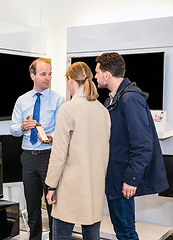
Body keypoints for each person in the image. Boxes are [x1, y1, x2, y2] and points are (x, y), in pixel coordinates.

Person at [95, 52, 169, 240]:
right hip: (115, 177)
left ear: (106, 75)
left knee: (126, 233)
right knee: (122, 230)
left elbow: (143, 145)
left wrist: (131, 179)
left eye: (97, 72)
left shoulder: (130, 99)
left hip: (122, 178)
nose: (95, 76)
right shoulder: (114, 99)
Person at [45, 61, 111, 240]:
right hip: (94, 187)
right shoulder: (102, 110)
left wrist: (51, 185)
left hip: (70, 188)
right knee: (92, 236)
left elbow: (59, 154)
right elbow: (105, 153)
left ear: (70, 80)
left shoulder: (68, 109)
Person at [10, 58, 65, 240]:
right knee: (32, 207)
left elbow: (63, 129)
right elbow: (13, 128)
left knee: (52, 207)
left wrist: (53, 138)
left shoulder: (58, 100)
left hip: (49, 157)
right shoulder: (22, 100)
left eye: (50, 74)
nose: (47, 78)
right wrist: (22, 127)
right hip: (28, 158)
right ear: (32, 75)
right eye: (43, 74)